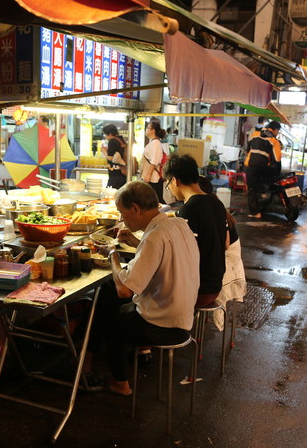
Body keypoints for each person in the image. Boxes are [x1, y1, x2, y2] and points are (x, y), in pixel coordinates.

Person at [100, 181, 200, 395]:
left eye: (122, 212)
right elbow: (163, 256)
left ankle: (119, 382)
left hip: (161, 325)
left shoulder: (154, 237)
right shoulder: (178, 224)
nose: (122, 219)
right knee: (111, 296)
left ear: (135, 208)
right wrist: (137, 243)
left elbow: (124, 290)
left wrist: (112, 254)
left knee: (110, 312)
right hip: (184, 316)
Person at [164, 155, 227, 307]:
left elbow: (184, 255)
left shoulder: (190, 209)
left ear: (174, 180)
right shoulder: (217, 203)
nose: (170, 189)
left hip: (199, 290)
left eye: (168, 184)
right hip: (215, 285)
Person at [198, 177, 245, 331]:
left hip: (229, 263)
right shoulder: (214, 205)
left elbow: (224, 245)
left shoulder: (214, 210)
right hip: (222, 258)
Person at [244, 127, 276, 218]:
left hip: (252, 165)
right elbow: (277, 158)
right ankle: (263, 201)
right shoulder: (273, 140)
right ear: (274, 130)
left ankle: (256, 212)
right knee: (262, 186)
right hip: (264, 166)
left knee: (252, 189)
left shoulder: (255, 134)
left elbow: (248, 148)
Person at [139, 121, 168, 203]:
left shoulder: (155, 143)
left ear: (153, 130)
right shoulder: (153, 142)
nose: (146, 130)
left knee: (155, 200)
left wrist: (148, 175)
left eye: (148, 128)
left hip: (153, 178)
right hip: (151, 177)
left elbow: (154, 161)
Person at [101, 123, 128, 189]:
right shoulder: (121, 140)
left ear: (110, 134)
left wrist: (103, 151)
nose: (105, 137)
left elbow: (110, 158)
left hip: (115, 174)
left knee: (110, 192)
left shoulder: (112, 141)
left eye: (105, 134)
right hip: (123, 173)